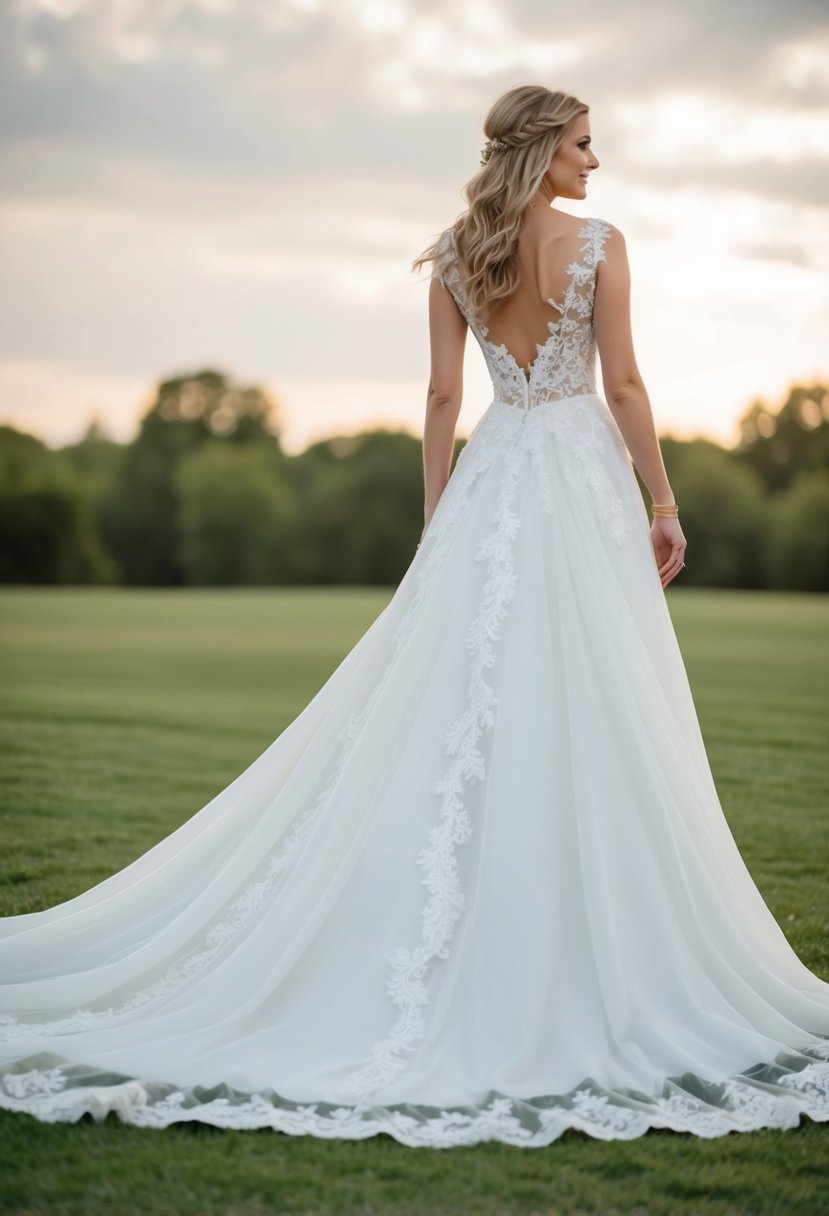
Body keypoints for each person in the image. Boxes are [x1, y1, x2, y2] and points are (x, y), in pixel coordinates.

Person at [1, 85, 827, 1149]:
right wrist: (662, 500)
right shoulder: (599, 245)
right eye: (583, 142)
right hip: (577, 478)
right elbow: (621, 381)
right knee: (595, 698)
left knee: (464, 702)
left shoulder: (453, 253)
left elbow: (441, 401)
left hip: (498, 477)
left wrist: (442, 519)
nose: (598, 160)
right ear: (542, 148)